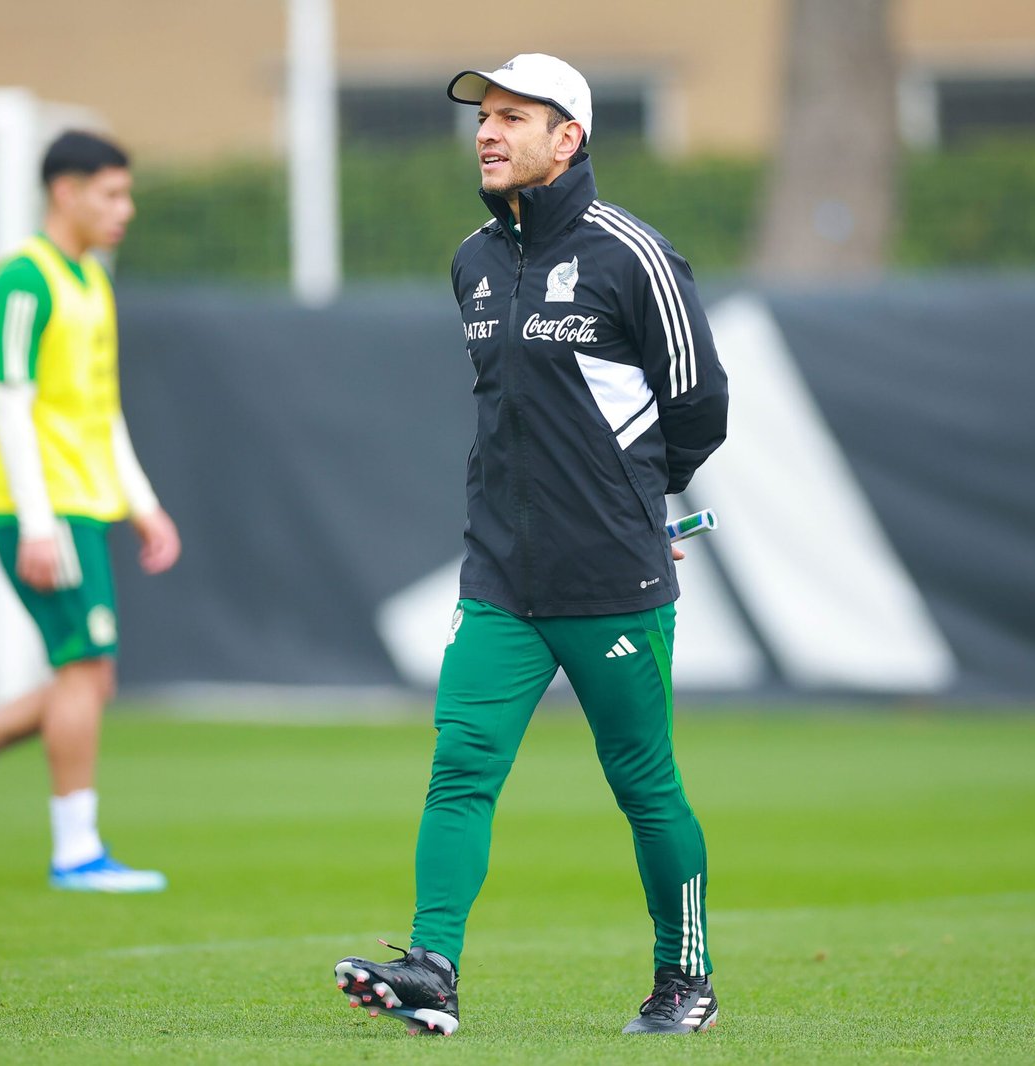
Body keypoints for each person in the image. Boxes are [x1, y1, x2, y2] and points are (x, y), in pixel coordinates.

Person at [333, 55, 729, 1036]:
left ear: (570, 138)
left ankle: (685, 979)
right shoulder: (471, 259)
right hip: (500, 574)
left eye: (515, 115)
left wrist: (638, 505)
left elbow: (700, 407)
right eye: (483, 116)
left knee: (642, 781)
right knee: (461, 764)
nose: (488, 130)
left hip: (613, 576)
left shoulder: (631, 255)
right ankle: (431, 967)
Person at [0, 130, 181, 893]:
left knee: (88, 675)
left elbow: (100, 410)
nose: (126, 209)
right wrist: (39, 520)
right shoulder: (23, 280)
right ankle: (75, 851)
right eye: (112, 193)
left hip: (83, 507)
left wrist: (143, 504)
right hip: (45, 512)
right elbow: (9, 405)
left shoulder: (91, 282)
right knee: (85, 672)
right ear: (65, 192)